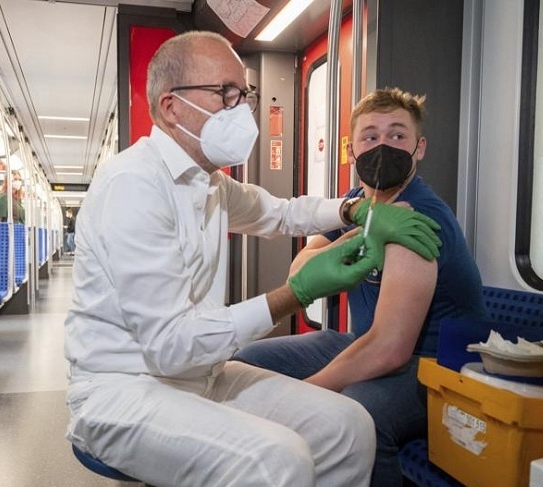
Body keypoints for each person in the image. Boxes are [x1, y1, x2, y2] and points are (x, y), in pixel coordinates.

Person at [64, 32, 442, 487]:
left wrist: (352, 209)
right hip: (124, 389)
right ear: (171, 107)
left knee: (349, 428)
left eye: (243, 95)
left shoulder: (210, 185)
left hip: (199, 376)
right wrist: (294, 295)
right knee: (276, 460)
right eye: (225, 93)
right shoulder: (133, 186)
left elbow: (281, 214)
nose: (242, 110)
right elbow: (169, 346)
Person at [234, 87, 490, 486]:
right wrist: (361, 235)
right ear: (352, 152)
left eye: (397, 136)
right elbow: (299, 268)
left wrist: (301, 396)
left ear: (418, 148)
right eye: (370, 137)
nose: (383, 146)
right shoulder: (357, 202)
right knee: (249, 362)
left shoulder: (417, 219)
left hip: (435, 367)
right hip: (365, 341)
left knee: (357, 412)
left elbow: (390, 349)